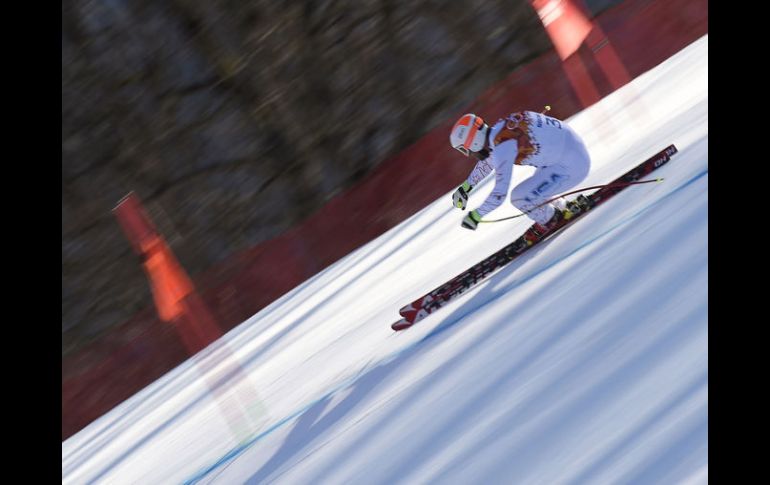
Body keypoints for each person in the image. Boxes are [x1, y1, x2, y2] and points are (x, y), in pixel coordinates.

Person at [449, 110, 591, 241]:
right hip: (571, 154)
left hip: (573, 166)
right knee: (534, 185)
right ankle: (561, 205)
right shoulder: (503, 128)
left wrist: (476, 216)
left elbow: (499, 194)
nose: (470, 155)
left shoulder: (503, 147)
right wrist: (466, 188)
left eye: (465, 150)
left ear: (473, 142)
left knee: (519, 198)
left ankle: (552, 218)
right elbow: (490, 161)